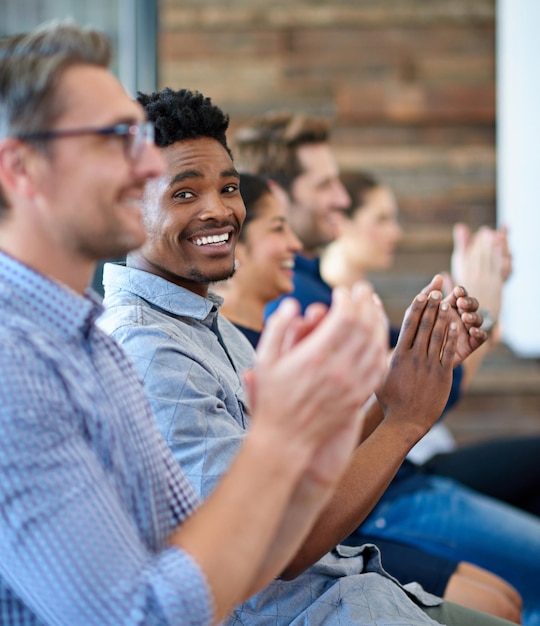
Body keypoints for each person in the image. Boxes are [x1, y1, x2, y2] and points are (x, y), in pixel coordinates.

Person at [0, 21, 407, 625]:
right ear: (22, 170)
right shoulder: (18, 370)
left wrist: (320, 427)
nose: (145, 168)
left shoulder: (90, 344)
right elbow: (143, 616)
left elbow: (214, 546)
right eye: (116, 139)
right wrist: (286, 445)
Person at [98, 85, 525, 626]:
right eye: (184, 194)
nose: (220, 210)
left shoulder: (206, 325)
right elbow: (270, 546)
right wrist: (404, 419)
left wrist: (396, 392)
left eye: (228, 188)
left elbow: (302, 475)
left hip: (351, 588)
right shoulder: (149, 350)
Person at [233, 111, 540, 625]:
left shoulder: (310, 291)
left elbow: (417, 383)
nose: (339, 198)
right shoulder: (298, 302)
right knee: (499, 601)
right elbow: (416, 393)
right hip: (379, 502)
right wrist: (481, 309)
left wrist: (466, 325)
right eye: (326, 185)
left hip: (391, 481)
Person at [320, 170, 540, 516]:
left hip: (410, 465)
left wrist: (480, 298)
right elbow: (418, 388)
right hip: (395, 487)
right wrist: (485, 309)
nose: (397, 232)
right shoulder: (320, 306)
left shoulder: (359, 298)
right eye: (381, 219)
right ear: (340, 222)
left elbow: (444, 362)